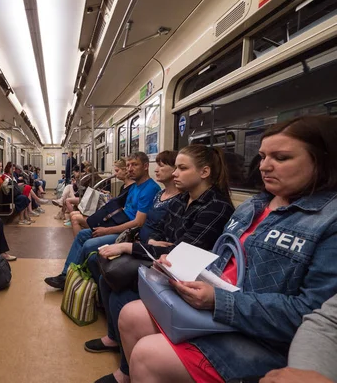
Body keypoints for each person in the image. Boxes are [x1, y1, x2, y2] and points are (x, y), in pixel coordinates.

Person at [117, 116, 337, 383]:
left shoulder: (328, 221)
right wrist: (181, 267)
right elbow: (222, 260)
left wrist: (219, 300)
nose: (264, 166)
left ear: (321, 160)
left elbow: (311, 312)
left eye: (281, 158)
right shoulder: (252, 206)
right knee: (130, 315)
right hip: (218, 304)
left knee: (147, 356)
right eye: (263, 156)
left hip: (260, 333)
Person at [91, 146, 235, 382]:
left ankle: (126, 372)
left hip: (184, 275)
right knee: (105, 279)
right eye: (175, 167)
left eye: (182, 168)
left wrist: (134, 246)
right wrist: (159, 244)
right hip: (161, 261)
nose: (174, 173)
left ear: (205, 172)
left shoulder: (217, 208)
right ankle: (114, 339)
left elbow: (181, 252)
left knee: (121, 297)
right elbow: (158, 232)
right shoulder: (182, 200)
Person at [44, 152, 160, 289]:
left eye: (134, 165)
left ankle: (75, 277)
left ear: (146, 166)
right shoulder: (135, 186)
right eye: (128, 165)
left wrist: (107, 230)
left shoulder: (150, 189)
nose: (130, 169)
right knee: (82, 235)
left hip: (129, 232)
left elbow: (138, 222)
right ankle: (66, 275)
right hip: (119, 223)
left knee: (88, 244)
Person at [69, 158, 131, 236]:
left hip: (114, 218)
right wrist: (110, 196)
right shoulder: (123, 186)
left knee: (75, 218)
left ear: (125, 170)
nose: (115, 174)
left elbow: (122, 207)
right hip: (111, 213)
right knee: (74, 215)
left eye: (117, 171)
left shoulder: (131, 188)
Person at [0, 159, 31, 225]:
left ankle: (23, 218)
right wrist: (3, 183)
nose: (1, 168)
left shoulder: (0, 175)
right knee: (23, 198)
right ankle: (21, 219)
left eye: (1, 166)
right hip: (3, 197)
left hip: (7, 194)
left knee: (24, 197)